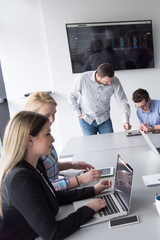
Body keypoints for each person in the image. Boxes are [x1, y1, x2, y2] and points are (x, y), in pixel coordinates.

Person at [0, 111, 111, 239]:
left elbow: (52, 196)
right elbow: (52, 233)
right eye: (47, 134)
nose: (53, 139)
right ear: (29, 140)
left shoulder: (35, 164)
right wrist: (88, 209)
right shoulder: (19, 178)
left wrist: (93, 190)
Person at [25, 92, 102, 191]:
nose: (52, 120)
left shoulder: (44, 138)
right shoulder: (31, 148)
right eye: (47, 115)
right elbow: (44, 188)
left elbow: (49, 168)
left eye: (53, 114)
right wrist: (79, 180)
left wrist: (71, 165)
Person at [68, 62, 131, 136]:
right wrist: (78, 114)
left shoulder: (115, 81)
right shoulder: (82, 78)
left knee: (109, 144)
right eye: (107, 81)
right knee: (91, 146)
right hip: (86, 119)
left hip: (104, 118)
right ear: (98, 76)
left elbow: (122, 101)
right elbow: (71, 96)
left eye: (111, 80)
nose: (110, 83)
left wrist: (126, 121)